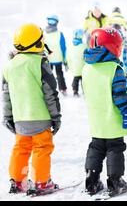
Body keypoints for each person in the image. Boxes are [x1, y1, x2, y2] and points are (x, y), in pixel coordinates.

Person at [2, 24, 61, 195]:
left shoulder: (9, 65)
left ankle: (18, 181)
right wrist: (56, 116)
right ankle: (41, 182)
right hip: (40, 117)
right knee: (42, 148)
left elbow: (6, 94)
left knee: (21, 148)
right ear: (36, 43)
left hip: (20, 118)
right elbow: (50, 91)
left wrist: (7, 116)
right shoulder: (40, 62)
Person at [82, 28, 127, 196]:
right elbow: (119, 95)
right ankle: (114, 181)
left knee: (96, 147)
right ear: (113, 47)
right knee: (115, 148)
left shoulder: (86, 69)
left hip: (95, 120)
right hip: (112, 119)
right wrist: (126, 112)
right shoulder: (114, 68)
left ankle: (92, 179)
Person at [44, 15, 67, 95]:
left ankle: (49, 90)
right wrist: (65, 59)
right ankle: (63, 89)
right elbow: (63, 48)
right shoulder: (60, 34)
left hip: (48, 59)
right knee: (59, 74)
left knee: (48, 75)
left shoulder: (44, 33)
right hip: (58, 58)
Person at [67, 29, 86, 97]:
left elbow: (68, 58)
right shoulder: (84, 46)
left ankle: (75, 91)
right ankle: (85, 91)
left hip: (75, 68)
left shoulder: (70, 47)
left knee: (76, 80)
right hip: (83, 67)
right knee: (83, 81)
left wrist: (70, 66)